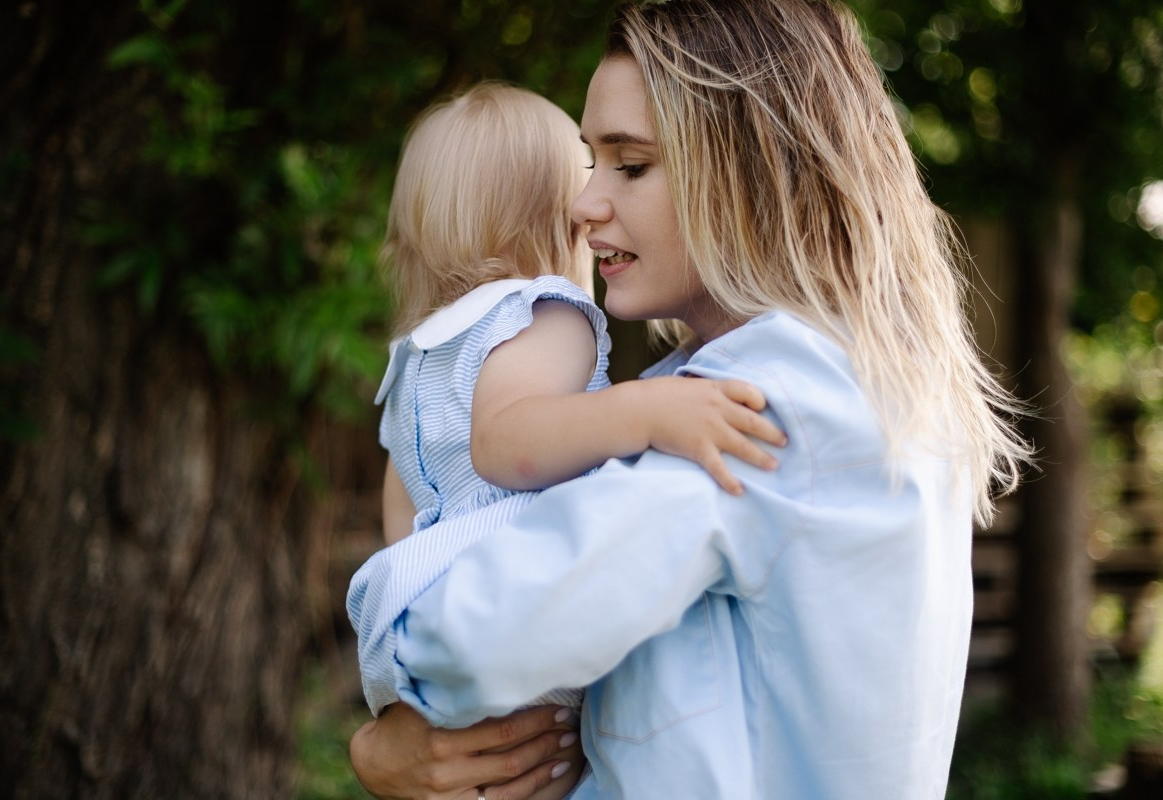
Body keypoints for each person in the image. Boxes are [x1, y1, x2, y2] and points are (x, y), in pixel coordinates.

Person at [347, 1, 1033, 798]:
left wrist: (386, 728)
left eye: (629, 166)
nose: (582, 204)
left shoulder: (772, 399)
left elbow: (477, 633)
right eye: (589, 163)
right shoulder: (739, 385)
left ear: (751, 170)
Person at [351, 80, 785, 800]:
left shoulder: (418, 359)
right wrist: (645, 410)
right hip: (511, 612)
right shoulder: (546, 314)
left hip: (420, 631)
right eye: (586, 178)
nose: (595, 209)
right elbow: (507, 442)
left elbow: (404, 518)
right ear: (556, 217)